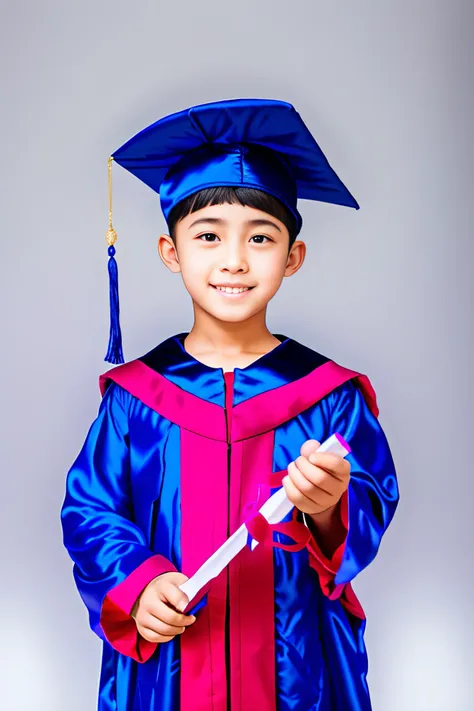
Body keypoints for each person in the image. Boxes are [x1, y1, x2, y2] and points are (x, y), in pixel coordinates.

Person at [60, 98, 399, 711]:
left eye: (261, 237)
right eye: (208, 236)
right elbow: (91, 510)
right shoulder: (137, 398)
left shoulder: (330, 396)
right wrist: (139, 585)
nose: (234, 260)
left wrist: (329, 509)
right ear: (171, 252)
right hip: (173, 665)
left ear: (292, 257)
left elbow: (370, 504)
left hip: (296, 663)